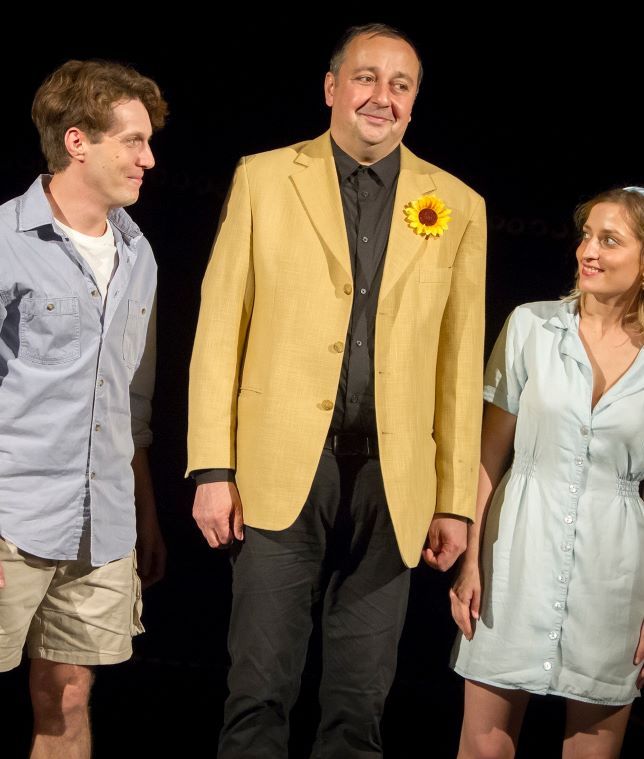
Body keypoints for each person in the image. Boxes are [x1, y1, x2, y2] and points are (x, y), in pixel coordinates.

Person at [187, 23, 487, 757]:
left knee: (359, 707)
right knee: (258, 692)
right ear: (331, 88)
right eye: (365, 78)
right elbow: (220, 328)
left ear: (414, 102)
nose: (382, 96)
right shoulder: (264, 178)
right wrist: (212, 467)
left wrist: (453, 498)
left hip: (394, 481)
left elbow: (458, 365)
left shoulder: (458, 204)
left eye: (400, 85)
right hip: (278, 467)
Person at [0, 59, 167, 759]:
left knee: (69, 696)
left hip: (102, 526)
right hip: (3, 519)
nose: (148, 159)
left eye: (147, 142)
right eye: (133, 141)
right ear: (77, 140)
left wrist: (142, 510)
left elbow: (128, 403)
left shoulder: (138, 254)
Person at [449, 186, 644, 758]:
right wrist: (471, 561)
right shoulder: (531, 327)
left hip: (614, 571)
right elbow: (489, 454)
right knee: (484, 745)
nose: (588, 251)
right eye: (587, 236)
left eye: (609, 240)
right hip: (517, 551)